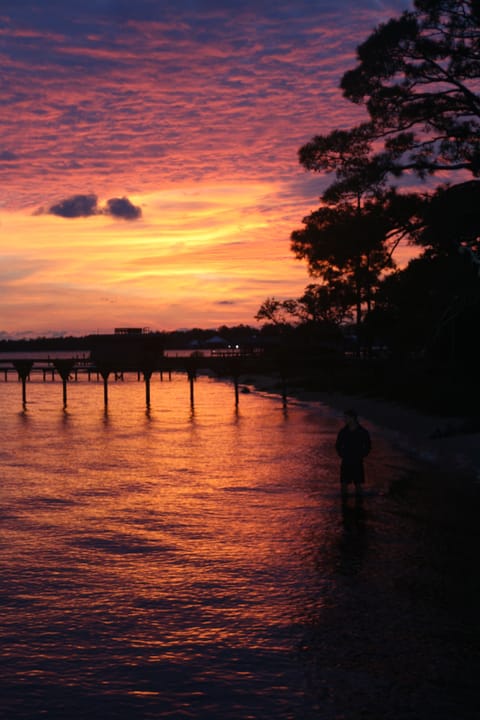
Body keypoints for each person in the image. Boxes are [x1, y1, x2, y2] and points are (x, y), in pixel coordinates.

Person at [335, 409, 371, 499]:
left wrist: (362, 455)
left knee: (358, 484)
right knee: (343, 484)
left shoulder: (362, 432)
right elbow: (338, 445)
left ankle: (360, 506)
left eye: (346, 417)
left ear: (352, 418)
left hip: (357, 461)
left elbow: (368, 445)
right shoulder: (343, 431)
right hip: (346, 460)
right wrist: (341, 454)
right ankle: (344, 504)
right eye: (344, 417)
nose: (344, 419)